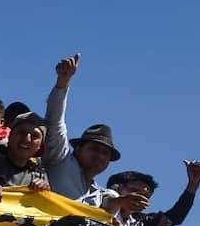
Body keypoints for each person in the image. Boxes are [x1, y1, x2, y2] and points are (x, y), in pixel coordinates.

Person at [43, 53, 143, 213]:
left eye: (106, 153)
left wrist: (119, 202)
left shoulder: (98, 195)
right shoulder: (60, 160)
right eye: (95, 149)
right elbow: (55, 121)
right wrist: (63, 82)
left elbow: (110, 208)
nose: (100, 156)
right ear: (78, 148)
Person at [106, 161, 200, 226]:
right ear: (116, 188)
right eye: (133, 190)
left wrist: (193, 185)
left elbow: (174, 217)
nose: (139, 197)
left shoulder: (142, 223)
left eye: (145, 196)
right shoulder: (98, 206)